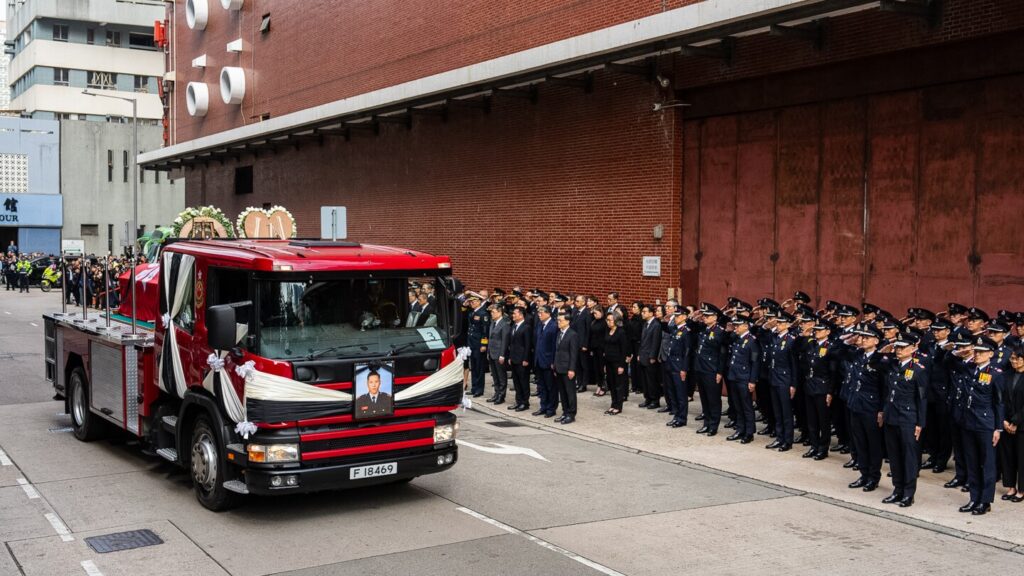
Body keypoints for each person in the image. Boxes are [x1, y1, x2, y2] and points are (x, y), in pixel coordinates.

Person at [957, 336, 1005, 515]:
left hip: (986, 423)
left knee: (987, 463)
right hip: (968, 421)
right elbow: (950, 360)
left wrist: (998, 428)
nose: (977, 355)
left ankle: (985, 501)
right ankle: (974, 498)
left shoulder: (996, 373)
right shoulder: (970, 368)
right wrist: (963, 352)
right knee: (972, 461)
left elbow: (999, 402)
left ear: (990, 354)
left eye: (981, 352)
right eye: (976, 351)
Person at [880, 332, 929, 508]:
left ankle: (909, 493)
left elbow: (922, 399)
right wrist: (885, 350)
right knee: (894, 456)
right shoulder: (892, 365)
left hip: (908, 418)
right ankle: (897, 489)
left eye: (903, 347)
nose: (899, 350)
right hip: (892, 416)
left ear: (913, 348)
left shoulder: (918, 370)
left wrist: (920, 423)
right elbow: (877, 362)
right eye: (897, 347)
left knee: (908, 457)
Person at [845, 324, 886, 493]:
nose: (862, 340)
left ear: (876, 341)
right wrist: (849, 340)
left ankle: (873, 477)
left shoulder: (881, 360)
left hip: (871, 407)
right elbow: (837, 352)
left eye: (866, 337)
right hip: (856, 404)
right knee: (859, 442)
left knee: (873, 444)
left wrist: (882, 410)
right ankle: (863, 474)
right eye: (861, 337)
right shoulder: (858, 354)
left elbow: (885, 388)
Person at [1001, 344, 1024, 502]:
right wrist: (1004, 420)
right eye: (1012, 359)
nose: (1013, 361)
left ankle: (1021, 490)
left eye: (1017, 358)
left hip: (1022, 425)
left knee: (1021, 457)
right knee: (1007, 456)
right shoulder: (1007, 375)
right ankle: (1010, 487)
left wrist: (1015, 421)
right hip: (1006, 423)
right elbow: (1001, 399)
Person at [532, 305, 559, 418]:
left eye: (541, 313)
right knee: (542, 386)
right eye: (538, 313)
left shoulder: (553, 326)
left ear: (548, 313)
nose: (539, 315)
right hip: (539, 360)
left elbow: (554, 346)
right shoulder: (540, 324)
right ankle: (543, 406)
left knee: (550, 387)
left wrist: (553, 361)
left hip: (548, 361)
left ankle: (551, 408)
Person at [553, 312, 579, 424]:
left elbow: (573, 353)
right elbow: (557, 351)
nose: (558, 322)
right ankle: (565, 411)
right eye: (558, 320)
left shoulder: (572, 334)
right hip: (559, 367)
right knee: (562, 392)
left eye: (561, 320)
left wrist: (572, 369)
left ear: (567, 321)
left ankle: (571, 414)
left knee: (570, 392)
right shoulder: (559, 333)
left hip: (568, 367)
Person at [603, 312, 630, 415]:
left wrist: (621, 365)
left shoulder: (621, 332)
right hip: (608, 362)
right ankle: (613, 404)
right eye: (607, 320)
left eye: (610, 320)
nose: (608, 322)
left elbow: (624, 350)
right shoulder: (607, 330)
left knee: (618, 385)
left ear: (616, 321)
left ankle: (618, 406)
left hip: (617, 362)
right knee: (611, 384)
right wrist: (605, 364)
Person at [636, 304, 662, 410]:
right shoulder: (645, 324)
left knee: (652, 380)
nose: (642, 313)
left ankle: (655, 400)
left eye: (644, 312)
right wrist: (639, 354)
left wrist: (652, 356)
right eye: (642, 312)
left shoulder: (656, 325)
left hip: (650, 357)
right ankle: (647, 398)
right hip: (643, 355)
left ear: (651, 313)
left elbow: (655, 342)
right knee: (645, 380)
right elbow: (642, 341)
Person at [507, 307, 532, 412]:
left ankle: (525, 402)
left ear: (521, 315)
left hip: (522, 359)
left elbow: (527, 345)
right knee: (516, 381)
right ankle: (518, 401)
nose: (513, 315)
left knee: (523, 381)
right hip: (514, 358)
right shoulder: (513, 326)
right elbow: (511, 344)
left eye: (515, 313)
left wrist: (526, 359)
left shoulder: (526, 327)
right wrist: (510, 357)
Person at [485, 304, 511, 405]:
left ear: (500, 312)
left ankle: (501, 395)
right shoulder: (493, 323)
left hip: (499, 353)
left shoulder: (504, 324)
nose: (491, 314)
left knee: (501, 376)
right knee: (495, 375)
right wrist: (488, 352)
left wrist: (502, 354)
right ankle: (496, 393)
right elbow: (490, 339)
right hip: (492, 352)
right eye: (491, 312)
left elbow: (505, 341)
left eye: (493, 312)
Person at [466, 292, 490, 398]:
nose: (472, 303)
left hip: (479, 344)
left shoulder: (483, 313)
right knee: (474, 366)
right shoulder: (472, 312)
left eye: (474, 301)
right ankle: (474, 387)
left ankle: (479, 390)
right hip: (472, 343)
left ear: (479, 302)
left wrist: (484, 344)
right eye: (471, 301)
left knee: (479, 367)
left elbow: (485, 331)